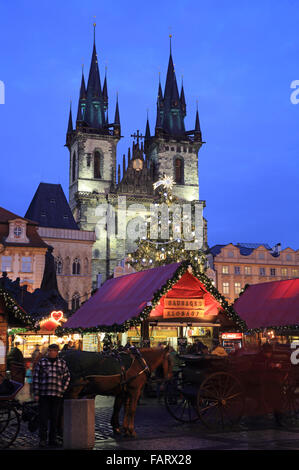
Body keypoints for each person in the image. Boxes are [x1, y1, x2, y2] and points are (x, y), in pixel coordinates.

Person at [33, 344, 71, 448]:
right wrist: (36, 393)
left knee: (55, 418)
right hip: (44, 394)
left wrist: (63, 389)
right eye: (50, 350)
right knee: (43, 418)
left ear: (57, 352)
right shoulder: (42, 362)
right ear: (48, 351)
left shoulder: (62, 363)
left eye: (54, 351)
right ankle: (43, 439)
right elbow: (36, 377)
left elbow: (67, 377)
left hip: (57, 395)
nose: (52, 352)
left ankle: (52, 439)